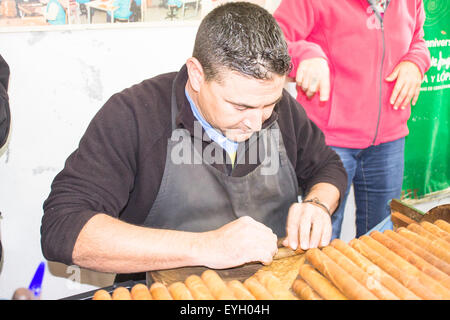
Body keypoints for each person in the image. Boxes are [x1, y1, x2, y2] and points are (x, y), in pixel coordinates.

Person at [41, 2, 347, 282]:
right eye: (240, 107)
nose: (257, 123)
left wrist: (317, 203)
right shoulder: (134, 115)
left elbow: (328, 167)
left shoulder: (279, 110)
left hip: (271, 287)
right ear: (197, 75)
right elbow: (64, 228)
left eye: (269, 105)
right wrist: (206, 246)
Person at [274, 0, 431, 239]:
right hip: (329, 141)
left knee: (382, 238)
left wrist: (416, 62)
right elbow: (272, 42)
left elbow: (418, 39)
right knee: (321, 239)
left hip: (390, 140)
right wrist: (306, 54)